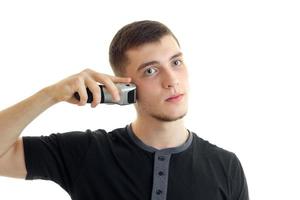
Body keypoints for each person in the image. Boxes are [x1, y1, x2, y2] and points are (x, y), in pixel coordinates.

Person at [0, 20, 249, 200]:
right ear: (124, 86)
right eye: (151, 70)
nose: (172, 80)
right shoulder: (87, 151)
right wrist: (51, 95)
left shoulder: (226, 167)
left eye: (176, 62)